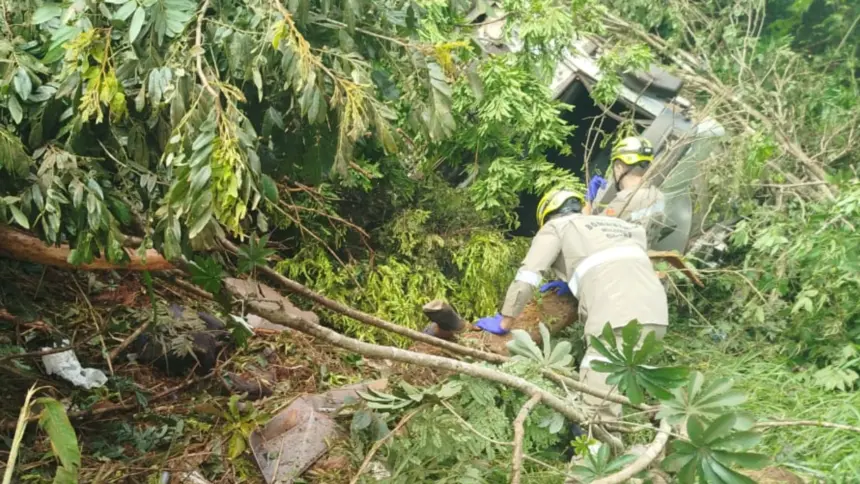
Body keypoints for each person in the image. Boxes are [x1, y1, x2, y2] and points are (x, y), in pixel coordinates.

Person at [476, 187, 668, 421]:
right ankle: (645, 431)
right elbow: (613, 264)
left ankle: (596, 450)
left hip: (616, 315)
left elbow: (529, 275)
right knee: (618, 384)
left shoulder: (555, 227)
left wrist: (506, 319)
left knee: (596, 403)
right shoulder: (622, 227)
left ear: (547, 216)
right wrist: (574, 283)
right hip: (657, 314)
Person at [587, 136, 669, 248]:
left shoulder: (624, 201)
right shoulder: (658, 195)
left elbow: (589, 234)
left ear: (619, 167)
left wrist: (588, 201)